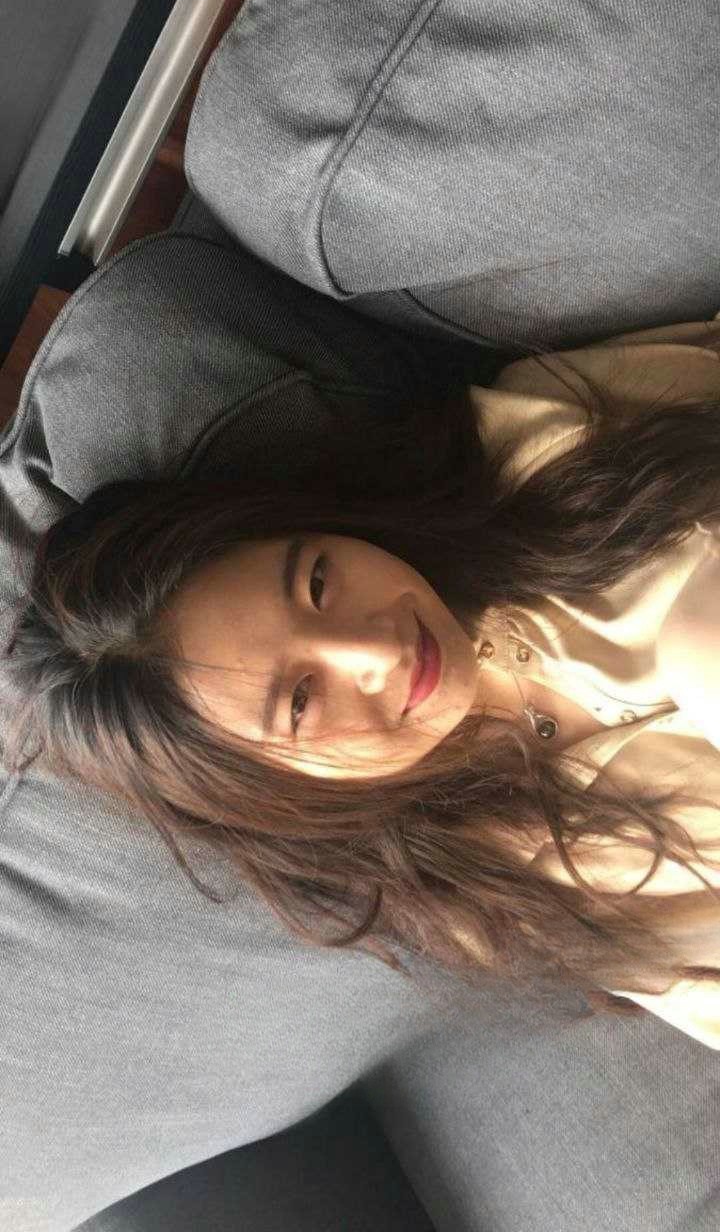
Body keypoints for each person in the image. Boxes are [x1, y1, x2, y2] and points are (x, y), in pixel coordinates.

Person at [4, 313, 720, 1049]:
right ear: (273, 790)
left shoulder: (541, 453)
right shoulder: (497, 892)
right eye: (301, 700)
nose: (375, 650)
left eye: (318, 581)